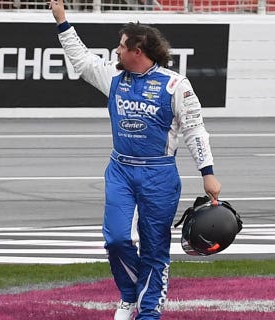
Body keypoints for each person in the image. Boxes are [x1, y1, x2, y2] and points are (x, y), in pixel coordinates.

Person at [49, 2, 222, 319]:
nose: (116, 50)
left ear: (138, 50)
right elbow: (82, 59)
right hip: (120, 170)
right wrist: (62, 21)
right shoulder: (113, 78)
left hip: (159, 175)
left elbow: (195, 129)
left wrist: (207, 172)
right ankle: (130, 296)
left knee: (155, 247)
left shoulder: (175, 85)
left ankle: (148, 310)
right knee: (116, 239)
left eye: (121, 45)